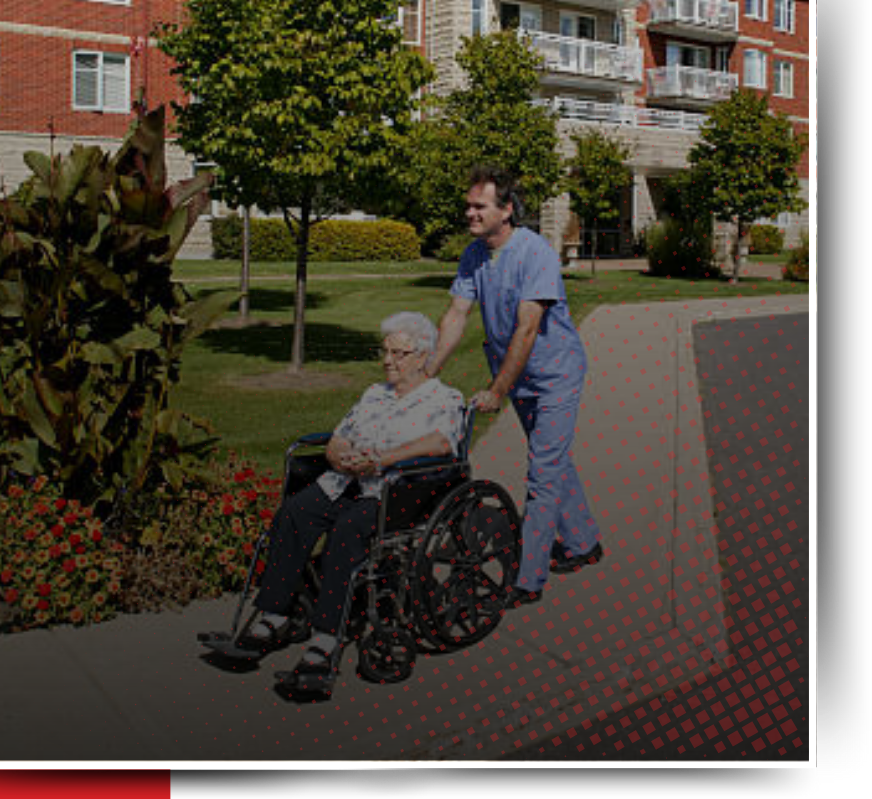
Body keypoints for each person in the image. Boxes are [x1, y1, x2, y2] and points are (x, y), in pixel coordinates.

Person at [226, 311, 464, 693]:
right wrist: (337, 454)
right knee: (295, 510)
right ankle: (272, 614)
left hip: (393, 492)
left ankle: (324, 641)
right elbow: (340, 434)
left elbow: (440, 443)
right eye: (385, 351)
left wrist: (382, 460)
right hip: (345, 480)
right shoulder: (374, 393)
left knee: (347, 532)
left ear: (422, 357)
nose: (388, 360)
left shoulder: (443, 398)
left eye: (399, 353)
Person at [424, 165, 602, 607]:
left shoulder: (535, 252)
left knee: (542, 471)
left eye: (478, 206)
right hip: (518, 373)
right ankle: (583, 542)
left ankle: (528, 578)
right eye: (468, 205)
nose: (469, 212)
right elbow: (455, 316)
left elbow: (527, 329)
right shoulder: (474, 254)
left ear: (506, 210)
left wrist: (497, 390)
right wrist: (424, 375)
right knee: (553, 458)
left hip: (555, 373)